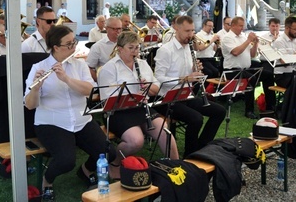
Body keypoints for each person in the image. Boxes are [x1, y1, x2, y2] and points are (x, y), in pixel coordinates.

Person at [24, 25, 116, 199]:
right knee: (66, 161)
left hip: (81, 119)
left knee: (108, 153)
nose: (74, 46)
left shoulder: (80, 64)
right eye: (69, 43)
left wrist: (66, 78)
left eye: (74, 41)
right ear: (56, 47)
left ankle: (85, 171)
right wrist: (36, 88)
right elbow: (30, 105)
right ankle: (47, 180)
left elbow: (90, 90)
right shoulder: (39, 67)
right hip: (52, 122)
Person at [98, 31, 179, 161]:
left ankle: (176, 165)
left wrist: (148, 86)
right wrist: (132, 96)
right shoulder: (110, 68)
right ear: (120, 49)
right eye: (131, 48)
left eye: (137, 48)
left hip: (141, 108)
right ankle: (115, 162)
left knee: (165, 132)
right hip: (118, 112)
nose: (135, 52)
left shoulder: (143, 64)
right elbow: (106, 100)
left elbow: (156, 89)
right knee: (136, 141)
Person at [154, 15, 226, 158]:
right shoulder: (165, 50)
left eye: (192, 31)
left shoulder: (188, 48)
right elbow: (159, 79)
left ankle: (202, 146)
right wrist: (184, 79)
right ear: (177, 29)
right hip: (167, 98)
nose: (191, 35)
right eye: (187, 31)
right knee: (196, 119)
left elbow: (188, 73)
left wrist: (195, 69)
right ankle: (190, 154)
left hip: (185, 95)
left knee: (219, 111)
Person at [221, 16, 260, 119]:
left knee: (264, 73)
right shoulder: (227, 37)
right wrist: (248, 41)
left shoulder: (242, 37)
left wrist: (255, 43)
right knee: (252, 78)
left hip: (244, 69)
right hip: (232, 70)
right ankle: (249, 110)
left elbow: (252, 55)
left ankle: (267, 105)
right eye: (240, 26)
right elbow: (236, 52)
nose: (242, 28)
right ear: (233, 25)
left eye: (243, 26)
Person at [86, 17, 123, 82]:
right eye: (115, 29)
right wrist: (99, 81)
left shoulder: (125, 43)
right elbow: (89, 68)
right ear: (107, 29)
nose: (118, 31)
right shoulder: (97, 47)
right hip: (107, 82)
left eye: (120, 28)